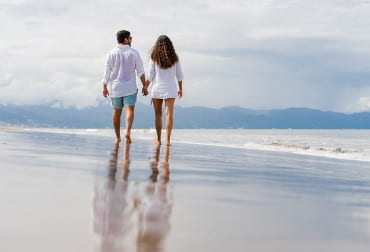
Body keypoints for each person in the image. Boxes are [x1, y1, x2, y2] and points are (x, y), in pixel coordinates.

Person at [101, 30, 147, 144]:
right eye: (130, 38)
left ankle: (117, 137)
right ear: (126, 39)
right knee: (129, 110)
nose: (131, 40)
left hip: (115, 87)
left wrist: (104, 87)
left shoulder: (110, 53)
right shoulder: (134, 52)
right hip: (130, 87)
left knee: (116, 112)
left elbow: (106, 72)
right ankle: (127, 132)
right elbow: (140, 72)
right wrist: (145, 86)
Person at [143, 35, 184, 146]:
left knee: (158, 115)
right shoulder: (175, 58)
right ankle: (168, 141)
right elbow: (179, 75)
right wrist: (180, 89)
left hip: (157, 89)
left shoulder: (154, 57)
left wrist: (145, 87)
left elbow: (150, 75)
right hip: (171, 89)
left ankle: (159, 139)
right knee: (169, 114)